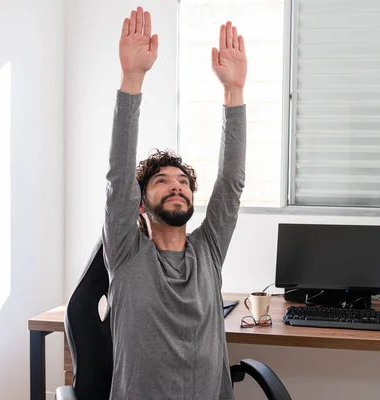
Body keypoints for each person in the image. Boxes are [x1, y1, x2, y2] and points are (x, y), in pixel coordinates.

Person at [102, 6, 247, 399]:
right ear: (139, 204)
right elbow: (119, 176)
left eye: (183, 182)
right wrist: (132, 78)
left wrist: (234, 92)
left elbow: (231, 183)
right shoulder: (126, 254)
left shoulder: (209, 251)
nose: (176, 186)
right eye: (162, 182)